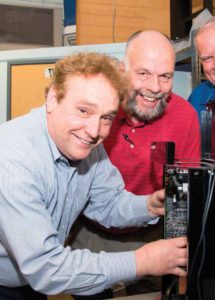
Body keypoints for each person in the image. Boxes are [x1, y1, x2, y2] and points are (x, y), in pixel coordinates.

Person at [0, 52, 188, 300]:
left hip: (30, 283)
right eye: (83, 110)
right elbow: (47, 268)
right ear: (54, 99)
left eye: (106, 118)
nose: (93, 131)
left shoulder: (86, 145)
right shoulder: (13, 157)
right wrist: (141, 261)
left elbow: (108, 203)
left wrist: (149, 206)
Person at [71, 30, 201, 297]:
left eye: (165, 76)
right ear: (122, 70)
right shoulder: (98, 109)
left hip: (152, 234)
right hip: (93, 234)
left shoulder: (185, 116)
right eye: (143, 73)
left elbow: (186, 190)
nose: (155, 86)